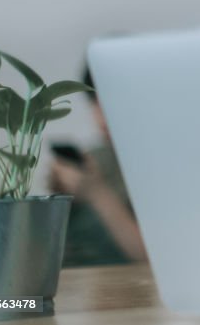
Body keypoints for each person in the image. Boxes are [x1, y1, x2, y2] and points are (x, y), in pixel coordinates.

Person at [49, 67, 147, 266]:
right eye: (95, 102)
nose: (101, 117)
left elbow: (150, 257)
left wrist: (96, 193)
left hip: (122, 284)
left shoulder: (158, 166)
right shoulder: (94, 158)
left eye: (112, 100)